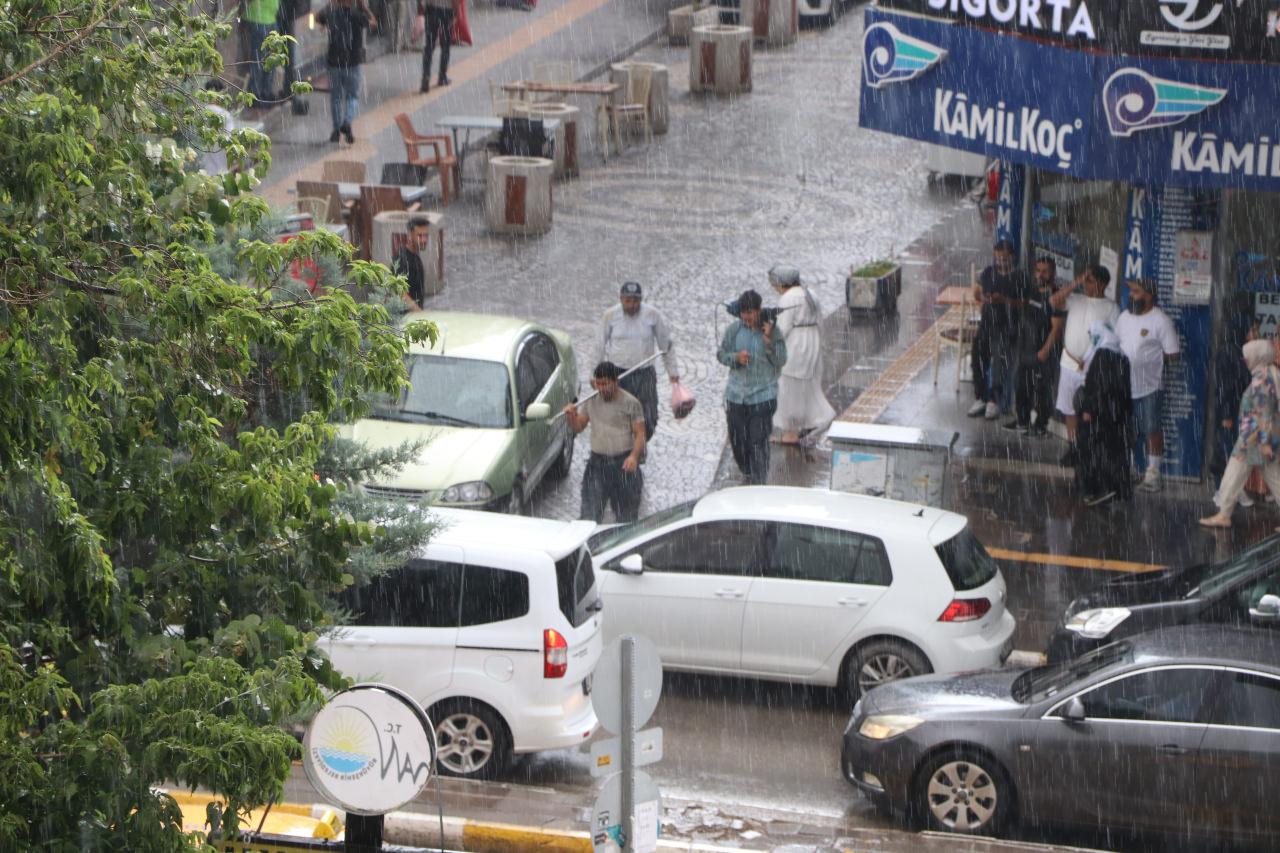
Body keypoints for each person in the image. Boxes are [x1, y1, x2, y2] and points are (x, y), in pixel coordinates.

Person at [1199, 340, 1280, 529]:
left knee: (1236, 473)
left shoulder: (1261, 379)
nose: (1244, 359)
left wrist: (1265, 443)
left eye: (1248, 355)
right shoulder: (1270, 373)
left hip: (1255, 438)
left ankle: (1224, 513)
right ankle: (1224, 512)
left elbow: (1264, 412)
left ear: (1257, 357)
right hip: (1258, 437)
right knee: (1267, 475)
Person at [1050, 263, 1120, 466]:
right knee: (1069, 409)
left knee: (1089, 409)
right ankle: (1073, 447)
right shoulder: (1075, 299)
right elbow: (1055, 299)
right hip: (1069, 362)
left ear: (1102, 283)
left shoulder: (1111, 307)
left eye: (1091, 281)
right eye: (1086, 281)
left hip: (1092, 367)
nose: (1087, 285)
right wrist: (1078, 281)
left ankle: (1087, 448)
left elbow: (1113, 339)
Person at [1115, 278, 1181, 492]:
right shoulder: (1124, 317)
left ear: (1149, 296)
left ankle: (1153, 474)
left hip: (1150, 386)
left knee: (1152, 428)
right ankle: (1131, 468)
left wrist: (1150, 358)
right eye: (1131, 292)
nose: (1131, 295)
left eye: (1136, 292)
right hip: (1124, 385)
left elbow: (1173, 354)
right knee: (1128, 429)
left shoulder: (1160, 320)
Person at [718, 289, 787, 485]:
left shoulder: (773, 331)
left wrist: (769, 342)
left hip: (763, 397)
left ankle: (759, 482)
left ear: (759, 310)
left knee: (758, 441)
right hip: (736, 396)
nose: (747, 317)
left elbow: (781, 360)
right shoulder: (734, 330)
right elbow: (721, 354)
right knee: (738, 442)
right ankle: (748, 473)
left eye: (750, 312)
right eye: (743, 313)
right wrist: (735, 358)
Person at [562, 362, 646, 523]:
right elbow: (579, 426)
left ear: (615, 381)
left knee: (626, 517)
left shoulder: (631, 403)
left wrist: (634, 457)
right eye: (598, 384)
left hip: (623, 464)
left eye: (605, 384)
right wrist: (571, 417)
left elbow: (640, 433)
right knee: (589, 514)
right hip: (597, 464)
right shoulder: (591, 401)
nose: (601, 388)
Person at [597, 281, 680, 443]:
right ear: (621, 299)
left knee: (649, 416)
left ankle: (640, 443)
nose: (632, 305)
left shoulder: (652, 315)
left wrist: (673, 372)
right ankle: (626, 449)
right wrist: (596, 375)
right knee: (618, 415)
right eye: (628, 301)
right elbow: (598, 345)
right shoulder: (610, 316)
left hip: (645, 374)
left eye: (635, 301)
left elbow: (666, 344)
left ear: (641, 300)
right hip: (618, 375)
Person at [769, 266, 834, 445]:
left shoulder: (788, 298)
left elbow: (782, 328)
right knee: (806, 385)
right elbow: (820, 320)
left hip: (796, 344)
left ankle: (792, 431)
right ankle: (808, 421)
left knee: (789, 387)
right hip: (812, 340)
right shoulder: (810, 293)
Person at [967, 240, 1030, 421]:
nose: (1000, 261)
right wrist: (984, 297)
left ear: (1012, 256)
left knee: (998, 365)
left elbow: (1024, 302)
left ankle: (994, 400)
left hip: (1005, 327)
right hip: (986, 324)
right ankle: (980, 397)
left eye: (1004, 257)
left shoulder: (1019, 277)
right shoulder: (988, 272)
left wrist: (1005, 300)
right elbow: (977, 291)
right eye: (998, 257)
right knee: (978, 359)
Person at [1004, 256, 1064, 437]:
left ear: (1053, 273)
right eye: (1038, 270)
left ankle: (1040, 426)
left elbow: (1057, 327)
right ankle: (1022, 421)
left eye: (1045, 271)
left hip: (1041, 352)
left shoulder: (1055, 297)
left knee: (1042, 389)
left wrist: (1046, 350)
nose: (1040, 275)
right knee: (1021, 385)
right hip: (1026, 349)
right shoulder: (1032, 291)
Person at [1076, 321, 1133, 507]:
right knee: (1112, 451)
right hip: (1114, 414)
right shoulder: (1121, 357)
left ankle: (1093, 490)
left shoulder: (1102, 355)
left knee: (1091, 450)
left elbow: (1097, 385)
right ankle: (1116, 488)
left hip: (1098, 412)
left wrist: (1088, 409)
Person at [1209, 317, 1256, 507]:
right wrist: (1227, 414)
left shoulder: (1239, 351)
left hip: (1238, 411)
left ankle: (1225, 491)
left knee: (1227, 450)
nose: (1255, 334)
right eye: (1253, 330)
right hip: (1231, 411)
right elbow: (1225, 387)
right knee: (1230, 451)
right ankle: (1229, 491)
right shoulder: (1230, 352)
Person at [317, 0, 378, 145]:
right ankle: (347, 121)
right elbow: (373, 22)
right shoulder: (357, 15)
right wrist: (365, 8)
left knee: (336, 98)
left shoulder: (331, 13)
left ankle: (336, 130)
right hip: (353, 63)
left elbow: (317, 18)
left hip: (334, 62)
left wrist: (331, 6)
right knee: (352, 97)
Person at [243, 0, 281, 105]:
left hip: (270, 19)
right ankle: (255, 95)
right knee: (259, 59)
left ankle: (265, 92)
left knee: (271, 58)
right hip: (259, 19)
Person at [392, 216, 432, 311]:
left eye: (426, 235)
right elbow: (399, 292)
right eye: (420, 236)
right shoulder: (402, 259)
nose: (424, 240)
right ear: (410, 235)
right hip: (404, 320)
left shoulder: (414, 255)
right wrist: (418, 313)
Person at [418, 0, 458, 92]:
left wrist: (421, 7)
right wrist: (456, 12)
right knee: (445, 45)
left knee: (429, 46)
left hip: (430, 10)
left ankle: (425, 78)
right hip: (446, 11)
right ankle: (442, 77)